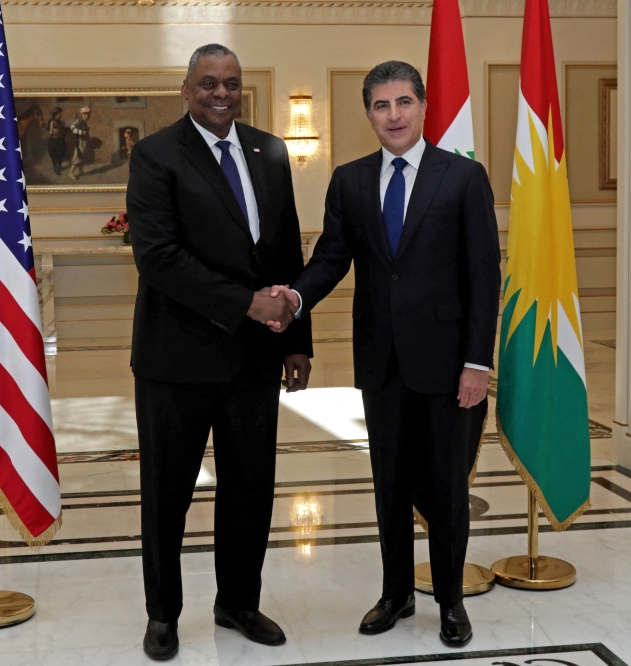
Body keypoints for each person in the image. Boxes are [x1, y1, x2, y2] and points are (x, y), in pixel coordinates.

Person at [269, 61, 501, 648]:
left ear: (422, 107)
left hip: (451, 366)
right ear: (368, 112)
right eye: (380, 105)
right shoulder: (349, 180)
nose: (393, 115)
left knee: (447, 488)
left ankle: (449, 601)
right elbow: (331, 258)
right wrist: (296, 296)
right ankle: (395, 593)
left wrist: (478, 361)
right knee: (390, 484)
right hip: (381, 363)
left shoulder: (464, 177)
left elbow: (483, 275)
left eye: (403, 103)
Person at [126, 43, 313, 660]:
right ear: (186, 90)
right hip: (175, 361)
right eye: (207, 83)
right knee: (167, 494)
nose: (221, 94)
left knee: (250, 488)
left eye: (230, 83)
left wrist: (297, 340)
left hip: (255, 359)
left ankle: (237, 601)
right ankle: (163, 614)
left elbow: (286, 248)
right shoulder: (156, 155)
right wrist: (246, 303)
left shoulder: (271, 150)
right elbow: (158, 258)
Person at [68, 106, 91, 180]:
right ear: (83, 114)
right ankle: (70, 173)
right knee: (77, 157)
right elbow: (72, 127)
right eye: (87, 114)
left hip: (83, 141)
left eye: (89, 114)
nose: (88, 115)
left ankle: (81, 171)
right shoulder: (80, 120)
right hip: (80, 141)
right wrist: (81, 132)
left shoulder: (84, 122)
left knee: (80, 157)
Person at [45, 106, 66, 175]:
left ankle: (59, 165)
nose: (61, 114)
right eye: (60, 113)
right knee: (53, 154)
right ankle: (55, 167)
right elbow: (47, 128)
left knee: (60, 154)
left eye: (61, 112)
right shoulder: (51, 121)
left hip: (60, 140)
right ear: (56, 114)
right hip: (53, 140)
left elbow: (63, 131)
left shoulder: (62, 122)